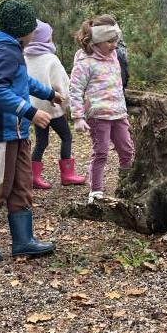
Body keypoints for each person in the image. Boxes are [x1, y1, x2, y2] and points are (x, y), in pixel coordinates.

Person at [0, 0, 64, 261]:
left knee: (22, 183)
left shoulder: (12, 49)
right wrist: (31, 112)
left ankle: (23, 240)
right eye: (32, 27)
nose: (34, 32)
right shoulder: (5, 51)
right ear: (23, 29)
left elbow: (23, 81)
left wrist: (49, 93)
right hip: (3, 132)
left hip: (18, 132)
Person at [69, 14, 134, 203]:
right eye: (109, 41)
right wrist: (78, 117)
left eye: (116, 40)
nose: (114, 45)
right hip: (98, 116)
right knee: (101, 153)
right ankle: (96, 191)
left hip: (118, 113)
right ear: (97, 41)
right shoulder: (85, 63)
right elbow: (75, 89)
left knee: (127, 150)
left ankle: (127, 186)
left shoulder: (114, 56)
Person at [24, 20, 85, 189]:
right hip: (52, 107)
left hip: (35, 110)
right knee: (66, 137)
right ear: (45, 38)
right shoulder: (51, 59)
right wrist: (68, 105)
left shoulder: (25, 57)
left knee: (41, 142)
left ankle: (33, 177)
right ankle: (68, 175)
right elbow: (62, 85)